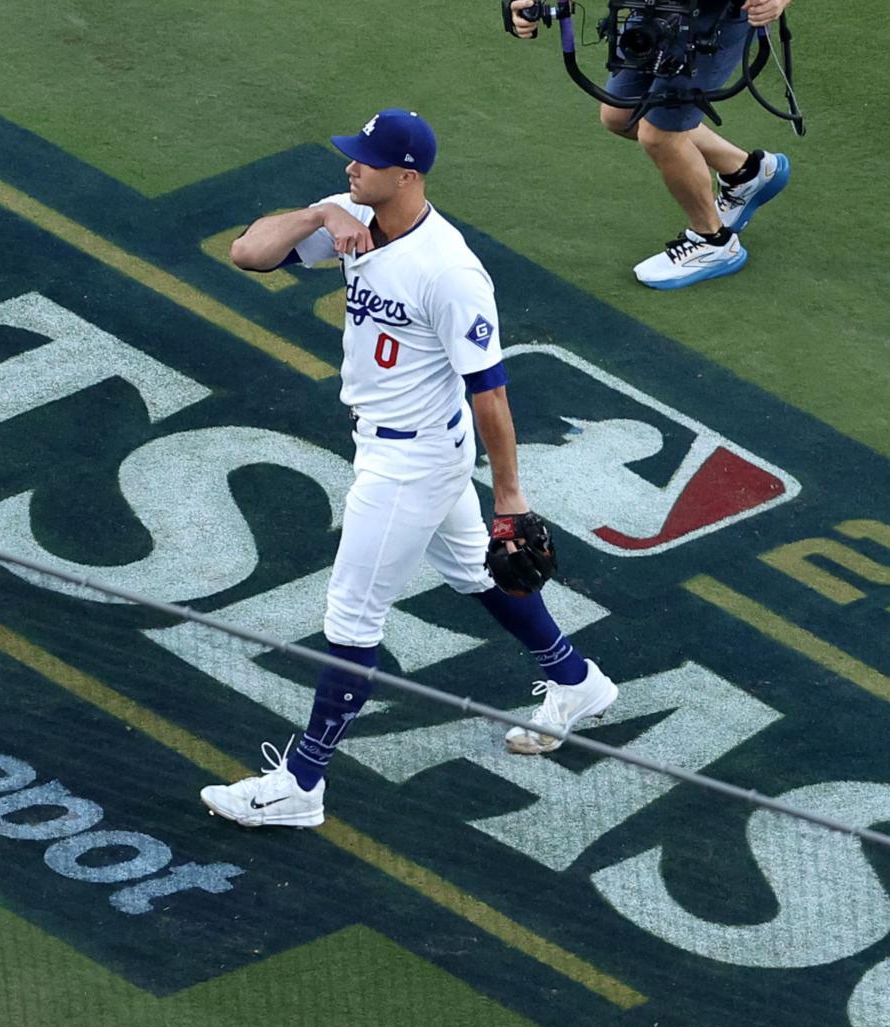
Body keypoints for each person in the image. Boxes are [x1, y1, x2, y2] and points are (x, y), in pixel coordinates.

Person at [200, 109, 618, 829]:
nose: (349, 167)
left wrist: (510, 500)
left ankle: (303, 785)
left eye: (363, 161)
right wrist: (320, 214)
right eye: (351, 159)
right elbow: (248, 255)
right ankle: (576, 681)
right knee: (472, 574)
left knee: (353, 617)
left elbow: (490, 392)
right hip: (393, 443)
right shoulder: (358, 220)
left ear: (408, 175)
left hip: (413, 460)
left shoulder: (448, 272)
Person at [510, 0, 794, 289]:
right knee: (620, 115)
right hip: (651, 11)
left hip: (712, 17)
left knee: (659, 135)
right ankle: (747, 173)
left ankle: (713, 242)